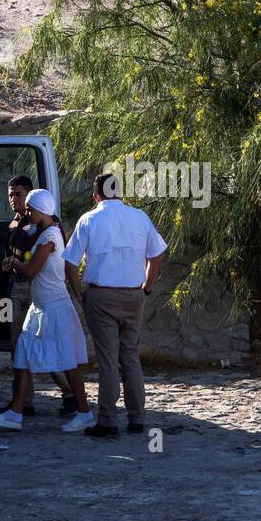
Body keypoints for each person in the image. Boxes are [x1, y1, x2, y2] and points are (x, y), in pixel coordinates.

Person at [63, 173, 167, 438]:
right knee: (130, 356)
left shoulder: (88, 219)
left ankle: (107, 421)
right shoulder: (140, 217)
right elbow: (155, 257)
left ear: (96, 196)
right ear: (120, 193)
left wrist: (79, 295)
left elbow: (71, 262)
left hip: (101, 296)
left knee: (108, 360)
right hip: (134, 296)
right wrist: (146, 287)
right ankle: (137, 418)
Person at [0, 189, 98, 433]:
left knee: (68, 363)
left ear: (41, 210)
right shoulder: (45, 233)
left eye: (30, 208)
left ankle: (84, 411)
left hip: (53, 308)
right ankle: (16, 413)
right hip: (41, 307)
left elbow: (30, 271)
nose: (27, 212)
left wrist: (14, 263)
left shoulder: (49, 237)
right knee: (24, 357)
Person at [3, 175, 74, 417]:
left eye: (19, 194)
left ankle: (71, 395)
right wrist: (10, 262)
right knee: (19, 348)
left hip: (37, 289)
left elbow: (35, 261)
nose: (14, 199)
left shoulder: (45, 226)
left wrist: (17, 262)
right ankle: (23, 402)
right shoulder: (15, 223)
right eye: (11, 194)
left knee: (45, 346)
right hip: (17, 287)